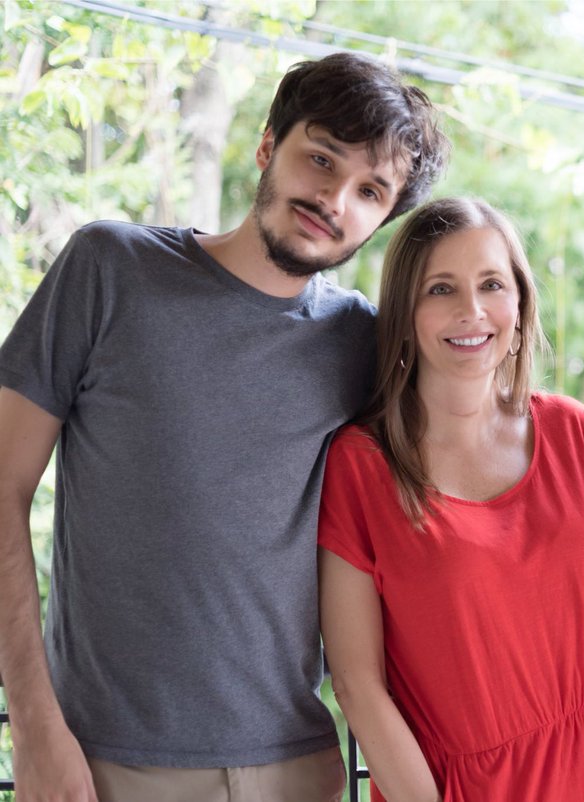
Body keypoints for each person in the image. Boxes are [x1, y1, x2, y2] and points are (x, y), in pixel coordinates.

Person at [0, 52, 449, 802]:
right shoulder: (111, 269)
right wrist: (34, 723)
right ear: (268, 145)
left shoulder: (361, 343)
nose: (334, 197)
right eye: (321, 158)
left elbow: (440, 514)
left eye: (370, 190)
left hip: (298, 769)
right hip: (106, 762)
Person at [317, 197, 584, 802]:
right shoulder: (361, 465)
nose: (471, 311)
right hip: (451, 788)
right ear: (406, 313)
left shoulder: (575, 433)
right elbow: (358, 685)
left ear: (519, 303)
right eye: (441, 289)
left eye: (491, 283)